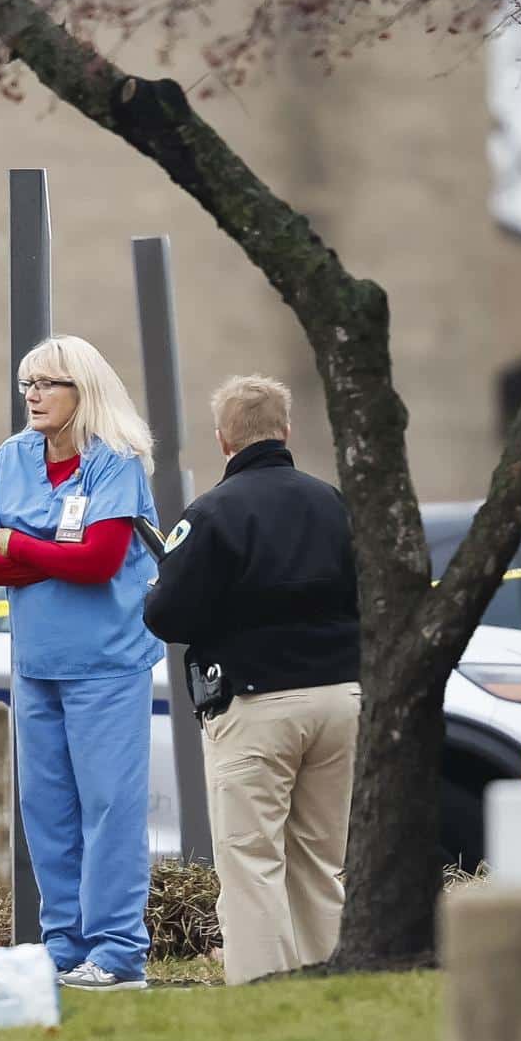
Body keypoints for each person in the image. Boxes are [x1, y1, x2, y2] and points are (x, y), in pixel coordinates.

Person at [142, 374, 361, 986]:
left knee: (251, 859)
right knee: (320, 858)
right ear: (286, 431)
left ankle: (266, 990)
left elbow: (166, 615)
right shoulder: (332, 501)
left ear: (222, 440)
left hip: (257, 701)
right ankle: (334, 983)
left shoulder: (212, 513)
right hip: (340, 696)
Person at [0, 335, 162, 991]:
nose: (33, 394)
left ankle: (117, 951)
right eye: (29, 382)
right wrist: (47, 546)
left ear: (85, 392)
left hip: (108, 664)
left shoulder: (116, 462)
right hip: (37, 665)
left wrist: (19, 543)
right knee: (47, 809)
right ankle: (62, 946)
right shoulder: (11, 457)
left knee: (109, 808)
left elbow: (99, 562)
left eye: (49, 383)